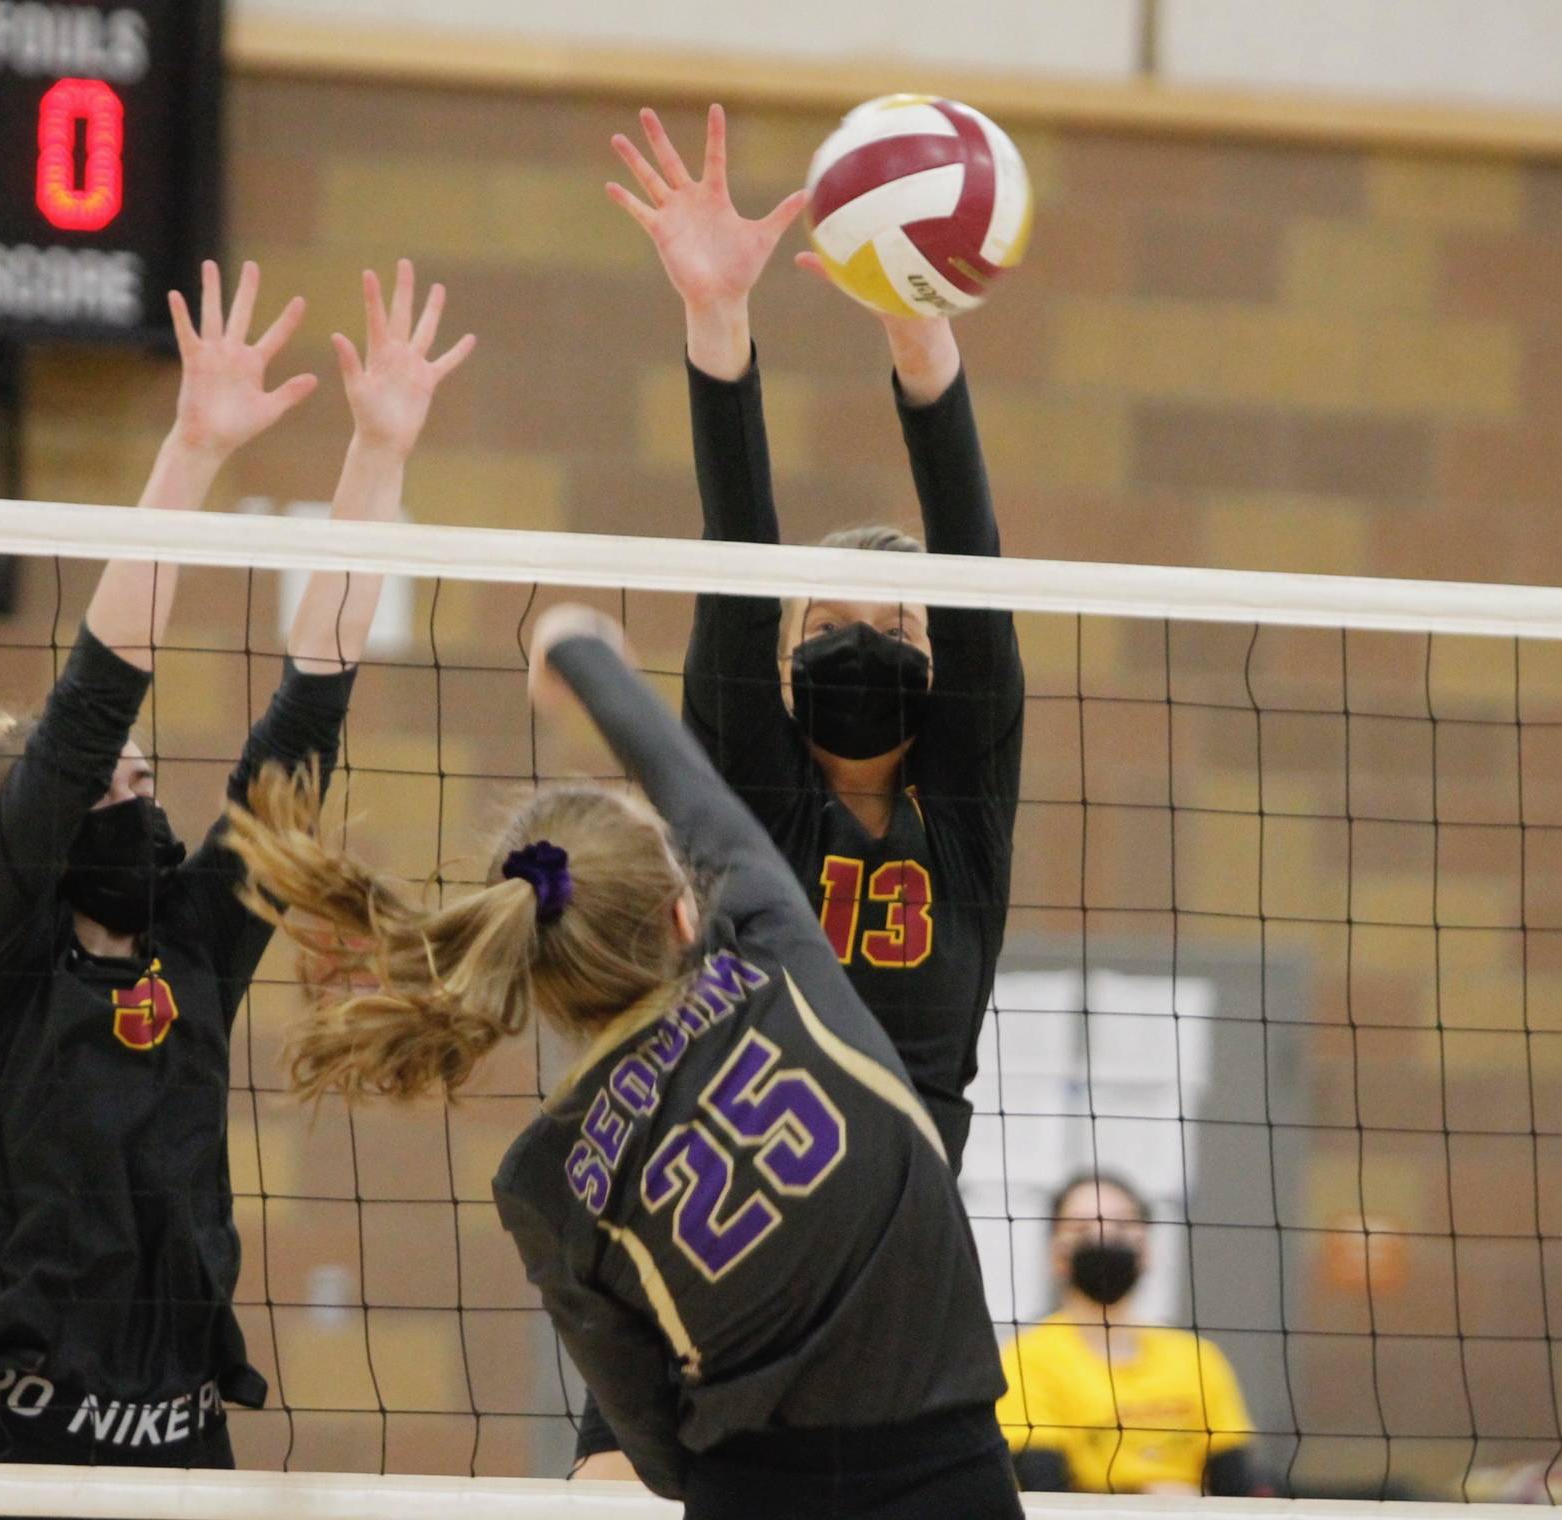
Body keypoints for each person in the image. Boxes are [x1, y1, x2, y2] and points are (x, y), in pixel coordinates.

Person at [0, 258, 472, 1481]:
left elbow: (307, 713)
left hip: (184, 1453)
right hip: (10, 1451)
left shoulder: (188, 943)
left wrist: (377, 455)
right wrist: (189, 452)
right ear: (26, 836)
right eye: (105, 788)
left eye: (147, 781)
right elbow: (89, 705)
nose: (136, 800)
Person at [221, 603, 1021, 1520]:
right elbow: (686, 780)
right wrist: (578, 648)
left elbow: (651, 1443)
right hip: (945, 1470)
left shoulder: (541, 1176)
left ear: (543, 976)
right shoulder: (768, 951)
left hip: (750, 1493)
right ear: (686, 914)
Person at [575, 98, 1027, 1480]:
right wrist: (720, 324)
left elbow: (973, 551)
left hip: (899, 1284)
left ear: (936, 662)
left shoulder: (966, 811)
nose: (852, 647)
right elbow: (736, 545)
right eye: (821, 627)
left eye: (890, 630)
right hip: (722, 1261)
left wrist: (917, 318)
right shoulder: (754, 808)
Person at [998, 1173, 1257, 1496]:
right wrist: (1150, 1500)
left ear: (1147, 1248)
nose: (1103, 1236)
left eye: (1121, 1225)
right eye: (1081, 1228)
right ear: (1056, 1255)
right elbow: (1046, 1490)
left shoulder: (1198, 1358)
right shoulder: (1027, 1360)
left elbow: (1236, 1486)